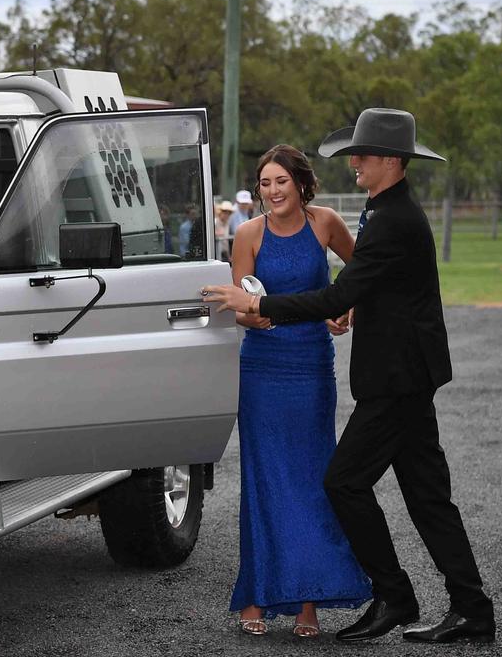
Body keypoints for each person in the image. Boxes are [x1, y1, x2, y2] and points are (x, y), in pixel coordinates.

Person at [203, 108, 495, 644]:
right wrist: (341, 308)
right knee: (428, 496)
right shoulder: (383, 210)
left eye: (360, 154)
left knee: (343, 482)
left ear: (388, 159)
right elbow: (362, 290)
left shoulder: (394, 219)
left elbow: (340, 293)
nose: (353, 162)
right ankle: (472, 609)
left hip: (396, 379)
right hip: (404, 375)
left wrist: (259, 300)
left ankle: (396, 596)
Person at [226, 145, 368, 638]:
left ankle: (309, 602)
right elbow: (242, 308)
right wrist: (264, 314)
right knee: (263, 480)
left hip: (310, 369)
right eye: (265, 183)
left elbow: (363, 267)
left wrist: (344, 307)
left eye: (281, 181)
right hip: (262, 369)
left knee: (310, 479)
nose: (272, 191)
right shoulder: (247, 233)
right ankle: (257, 596)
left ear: (302, 183)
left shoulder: (325, 223)